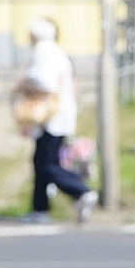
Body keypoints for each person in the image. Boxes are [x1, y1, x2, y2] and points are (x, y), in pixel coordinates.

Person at [21, 19, 98, 225]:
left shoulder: (42, 52)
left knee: (46, 164)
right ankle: (40, 209)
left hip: (48, 117)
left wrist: (24, 84)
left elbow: (44, 82)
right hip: (61, 114)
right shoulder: (57, 51)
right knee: (42, 161)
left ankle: (81, 191)